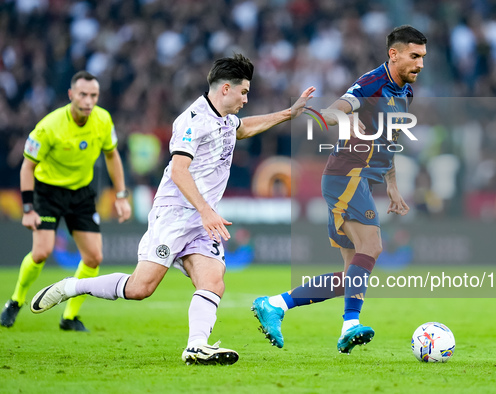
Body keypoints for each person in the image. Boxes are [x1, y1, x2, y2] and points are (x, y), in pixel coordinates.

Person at [29, 54, 315, 366]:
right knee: (140, 288)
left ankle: (197, 346)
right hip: (175, 214)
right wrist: (206, 211)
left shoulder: (223, 120)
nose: (247, 98)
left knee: (213, 279)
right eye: (244, 92)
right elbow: (179, 170)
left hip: (200, 218)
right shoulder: (192, 121)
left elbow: (241, 128)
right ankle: (71, 286)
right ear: (226, 89)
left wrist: (289, 113)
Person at [252, 25, 427, 354]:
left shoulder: (406, 93)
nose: (420, 64)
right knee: (372, 245)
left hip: (358, 178)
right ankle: (350, 325)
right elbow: (342, 106)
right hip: (345, 175)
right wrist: (323, 115)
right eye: (414, 56)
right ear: (395, 53)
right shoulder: (373, 82)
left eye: (423, 58)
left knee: (351, 276)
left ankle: (274, 304)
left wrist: (392, 186)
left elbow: (390, 140)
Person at [0, 71, 132, 331]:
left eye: (93, 95)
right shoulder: (49, 126)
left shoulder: (103, 120)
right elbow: (27, 167)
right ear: (71, 95)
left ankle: (69, 317)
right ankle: (15, 301)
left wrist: (121, 196)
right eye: (83, 95)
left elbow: (112, 155)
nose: (88, 101)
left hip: (81, 193)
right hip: (48, 192)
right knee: (41, 252)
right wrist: (27, 209)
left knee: (94, 257)